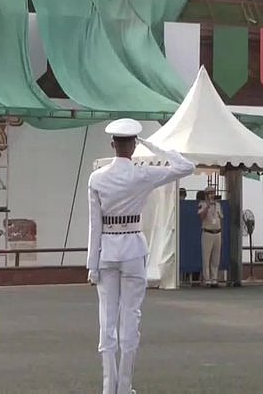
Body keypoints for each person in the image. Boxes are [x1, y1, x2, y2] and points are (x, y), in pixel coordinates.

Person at [88, 118, 196, 394]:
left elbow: (94, 224)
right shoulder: (142, 174)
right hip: (133, 249)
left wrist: (92, 266)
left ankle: (107, 389)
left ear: (112, 144)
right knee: (131, 318)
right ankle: (124, 388)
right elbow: (186, 166)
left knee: (107, 321)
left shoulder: (97, 178)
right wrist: (155, 146)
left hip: (107, 251)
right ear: (133, 145)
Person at [197, 187, 223, 288]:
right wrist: (207, 207)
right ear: (206, 195)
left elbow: (220, 219)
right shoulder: (202, 204)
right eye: (210, 193)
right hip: (207, 233)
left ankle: (214, 279)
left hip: (217, 233)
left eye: (213, 193)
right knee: (206, 257)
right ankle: (207, 279)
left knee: (216, 257)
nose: (212, 195)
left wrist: (222, 233)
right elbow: (201, 217)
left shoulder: (218, 205)